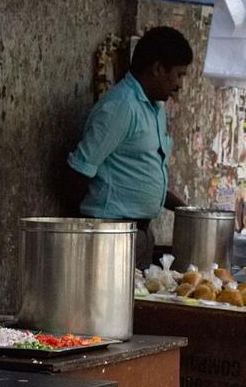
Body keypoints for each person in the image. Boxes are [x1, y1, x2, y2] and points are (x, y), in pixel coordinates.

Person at [65, 26, 193, 268]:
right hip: (112, 234)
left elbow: (141, 172)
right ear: (157, 69)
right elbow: (79, 170)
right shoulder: (121, 106)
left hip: (140, 234)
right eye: (178, 75)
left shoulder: (155, 109)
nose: (179, 85)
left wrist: (189, 212)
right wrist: (87, 230)